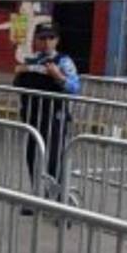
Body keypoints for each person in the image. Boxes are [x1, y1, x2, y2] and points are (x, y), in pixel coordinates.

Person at [14, 22, 81, 207]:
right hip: (32, 117)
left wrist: (58, 76)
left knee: (54, 160)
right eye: (42, 38)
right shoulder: (30, 61)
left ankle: (59, 201)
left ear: (57, 40)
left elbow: (75, 88)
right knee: (32, 157)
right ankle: (38, 198)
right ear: (35, 40)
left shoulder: (64, 61)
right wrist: (19, 73)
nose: (47, 42)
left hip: (54, 117)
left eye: (51, 38)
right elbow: (19, 85)